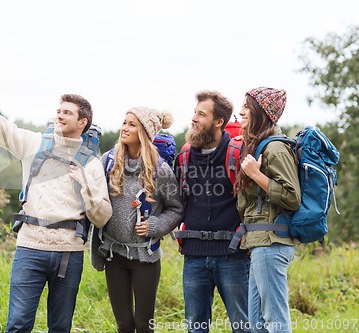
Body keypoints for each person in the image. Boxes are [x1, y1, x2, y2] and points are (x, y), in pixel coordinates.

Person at [0, 67, 112, 333]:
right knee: (18, 325)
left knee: (61, 327)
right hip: (30, 249)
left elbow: (102, 217)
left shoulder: (93, 165)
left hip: (69, 253)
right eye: (59, 110)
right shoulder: (34, 144)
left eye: (67, 113)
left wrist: (86, 184)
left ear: (83, 122)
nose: (59, 115)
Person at [91, 107, 183, 333]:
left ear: (144, 132)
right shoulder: (108, 162)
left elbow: (176, 208)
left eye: (132, 124)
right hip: (114, 255)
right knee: (124, 325)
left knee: (144, 324)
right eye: (124, 122)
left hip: (145, 258)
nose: (125, 128)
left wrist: (154, 226)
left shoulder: (160, 170)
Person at [175, 91, 250, 333]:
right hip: (194, 256)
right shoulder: (184, 157)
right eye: (194, 112)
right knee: (195, 328)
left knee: (243, 326)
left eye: (201, 114)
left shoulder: (238, 154)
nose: (194, 118)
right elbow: (178, 201)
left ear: (219, 122)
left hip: (233, 255)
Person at [236, 87, 301, 333]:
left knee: (275, 320)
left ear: (260, 112)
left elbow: (292, 197)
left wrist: (256, 175)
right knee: (257, 324)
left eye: (246, 106)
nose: (240, 111)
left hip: (272, 243)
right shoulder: (259, 147)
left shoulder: (275, 148)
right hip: (259, 243)